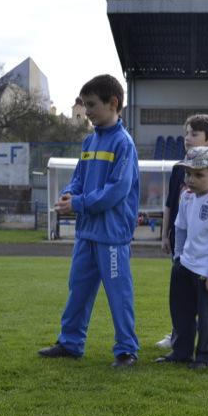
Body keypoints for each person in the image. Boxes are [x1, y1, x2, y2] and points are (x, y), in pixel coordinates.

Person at [38, 74, 140, 368]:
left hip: (112, 235)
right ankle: (70, 343)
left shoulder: (124, 143)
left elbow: (117, 190)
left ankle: (126, 350)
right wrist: (69, 194)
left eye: (92, 105)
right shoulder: (89, 141)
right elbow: (78, 179)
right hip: (87, 233)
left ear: (113, 103)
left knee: (118, 294)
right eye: (84, 105)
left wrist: (78, 203)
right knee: (78, 288)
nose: (87, 111)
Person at [156, 146, 208, 368]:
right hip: (185, 266)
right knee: (181, 313)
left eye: (199, 175)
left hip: (207, 272)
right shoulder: (186, 196)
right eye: (188, 173)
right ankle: (181, 352)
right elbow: (180, 227)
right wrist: (178, 258)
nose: (191, 179)